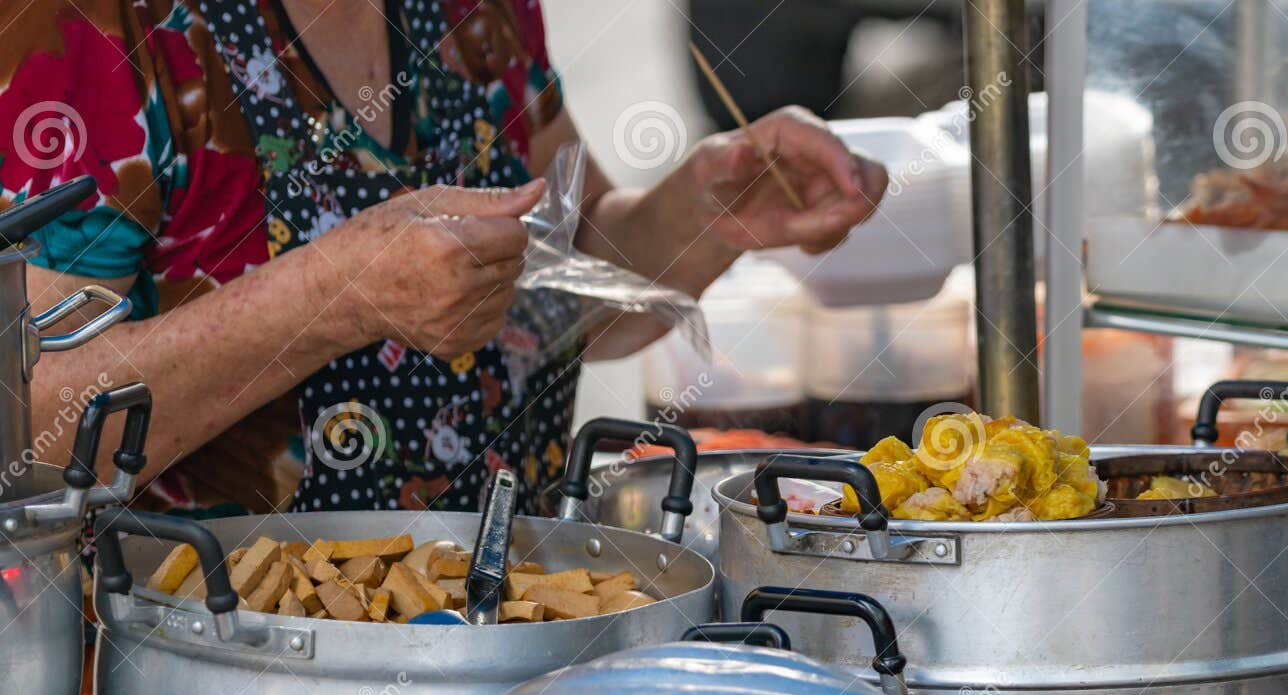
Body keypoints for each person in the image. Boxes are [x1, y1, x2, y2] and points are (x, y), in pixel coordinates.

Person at [1, 0, 889, 514]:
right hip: (224, 687)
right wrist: (336, 295)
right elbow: (29, 433)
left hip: (509, 650)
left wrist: (705, 210)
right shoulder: (90, 31)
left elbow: (563, 271)